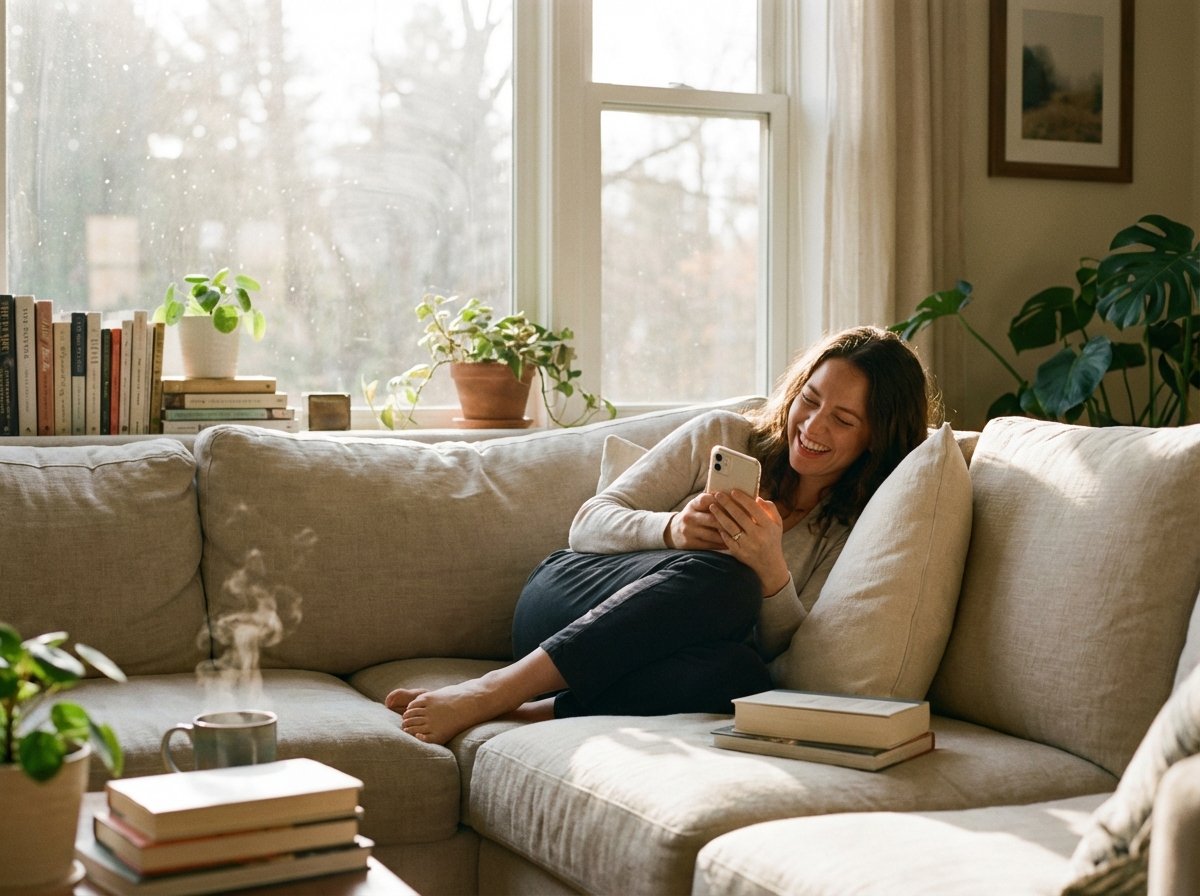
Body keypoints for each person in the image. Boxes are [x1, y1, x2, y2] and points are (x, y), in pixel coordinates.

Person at [387, 325, 937, 744]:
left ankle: (537, 708)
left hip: (647, 656)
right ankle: (495, 689)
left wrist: (772, 571)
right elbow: (589, 522)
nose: (812, 428)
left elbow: (785, 652)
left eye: (843, 420)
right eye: (809, 400)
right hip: (567, 600)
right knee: (723, 576)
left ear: (877, 437)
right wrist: (672, 530)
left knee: (743, 674)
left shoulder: (849, 528)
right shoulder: (722, 434)